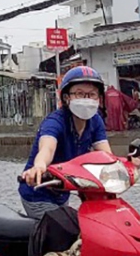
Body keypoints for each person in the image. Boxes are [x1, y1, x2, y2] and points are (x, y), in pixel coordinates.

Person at [18, 65, 112, 220]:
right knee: (64, 232)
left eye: (92, 94)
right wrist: (39, 166)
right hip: (38, 193)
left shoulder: (96, 121)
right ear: (67, 97)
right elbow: (47, 149)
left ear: (99, 98)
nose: (86, 99)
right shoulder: (55, 122)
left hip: (63, 191)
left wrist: (126, 164)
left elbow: (106, 155)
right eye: (79, 94)